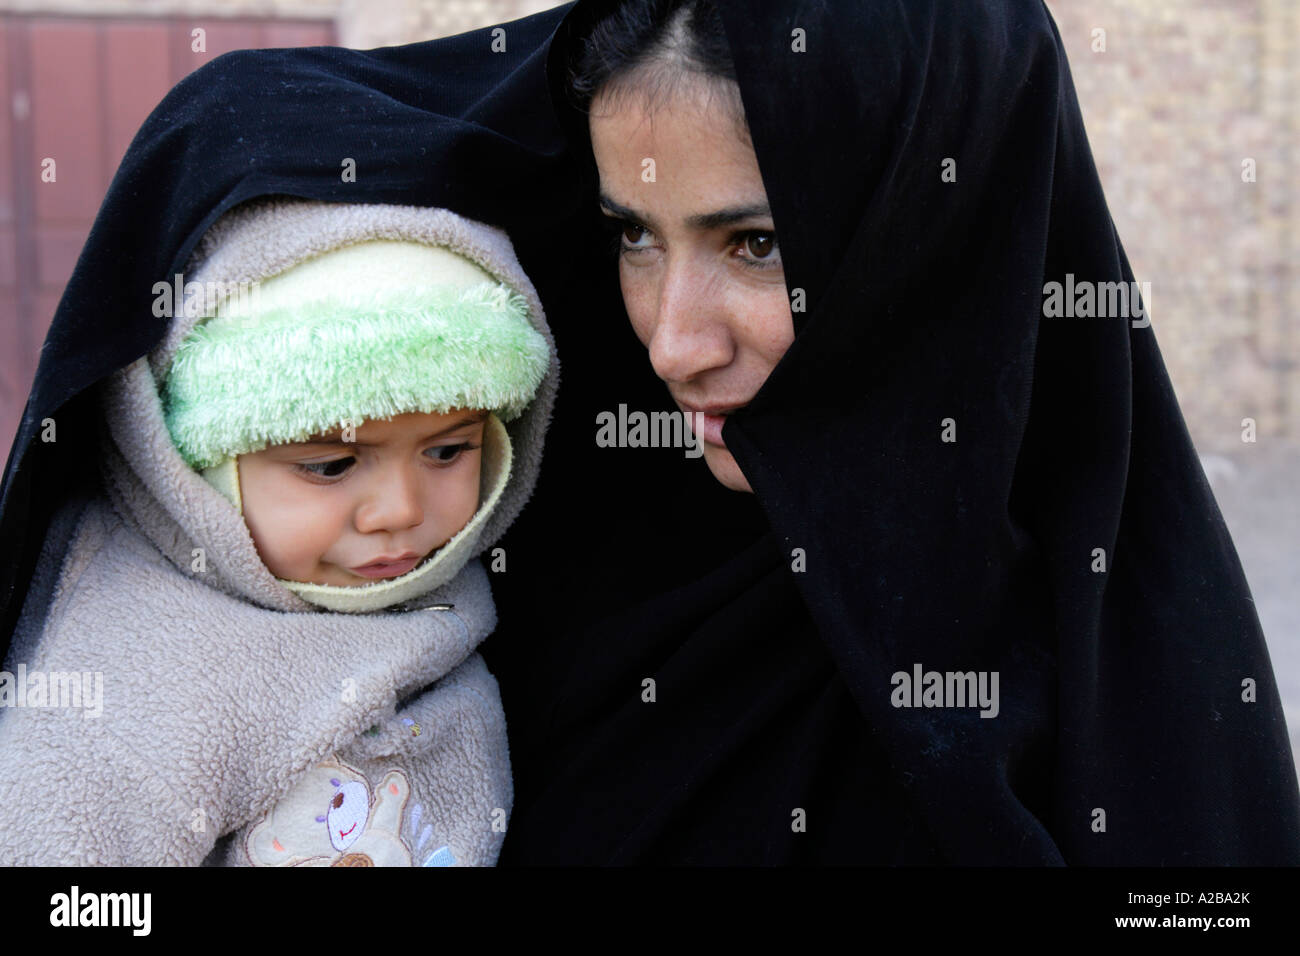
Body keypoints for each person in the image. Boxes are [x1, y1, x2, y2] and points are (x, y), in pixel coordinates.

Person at [482, 0, 1300, 864]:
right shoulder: (546, 585)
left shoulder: (1144, 702)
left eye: (757, 244)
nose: (672, 343)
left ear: (938, 232)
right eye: (634, 234)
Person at [0, 193, 556, 866]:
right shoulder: (132, 689)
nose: (401, 510)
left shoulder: (478, 594)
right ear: (194, 469)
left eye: (447, 451)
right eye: (330, 465)